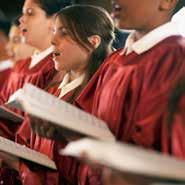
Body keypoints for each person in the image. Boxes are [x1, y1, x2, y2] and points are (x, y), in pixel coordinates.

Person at [1, 4, 115, 185]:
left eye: (64, 33)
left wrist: (20, 167)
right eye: (54, 31)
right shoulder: (51, 90)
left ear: (93, 42)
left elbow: (81, 174)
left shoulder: (95, 99)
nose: (53, 40)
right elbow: (23, 140)